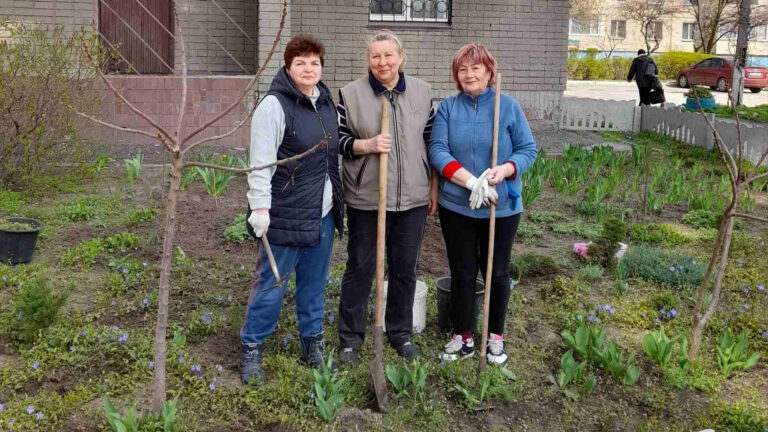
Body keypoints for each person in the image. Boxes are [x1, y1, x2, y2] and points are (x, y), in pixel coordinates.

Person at [240, 34, 343, 385]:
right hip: (284, 211)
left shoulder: (326, 102)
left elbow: (332, 157)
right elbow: (261, 163)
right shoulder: (274, 105)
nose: (308, 68)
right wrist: (260, 207)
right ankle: (252, 346)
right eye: (300, 62)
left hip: (323, 212)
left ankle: (311, 341)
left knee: (315, 283)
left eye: (314, 62)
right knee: (272, 283)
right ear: (287, 66)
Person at [429, 43, 537, 365]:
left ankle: (495, 337)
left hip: (500, 206)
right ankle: (463, 336)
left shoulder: (508, 106)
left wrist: (504, 170)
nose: (469, 74)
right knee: (462, 271)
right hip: (457, 206)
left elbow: (528, 149)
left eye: (476, 68)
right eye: (462, 69)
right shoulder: (448, 108)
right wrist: (470, 181)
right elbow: (437, 151)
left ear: (489, 71)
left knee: (498, 271)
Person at [336, 30, 438, 364]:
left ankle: (400, 333)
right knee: (361, 267)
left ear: (401, 57)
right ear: (368, 60)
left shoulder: (422, 93)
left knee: (405, 268)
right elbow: (338, 140)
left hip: (412, 198)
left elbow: (432, 142)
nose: (382, 62)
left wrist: (432, 187)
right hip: (367, 197)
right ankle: (350, 339)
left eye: (388, 55)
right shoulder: (350, 94)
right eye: (375, 56)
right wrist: (366, 145)